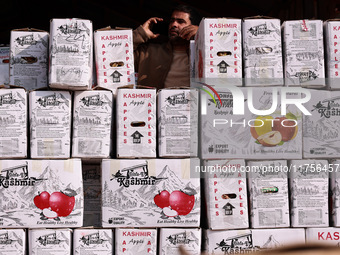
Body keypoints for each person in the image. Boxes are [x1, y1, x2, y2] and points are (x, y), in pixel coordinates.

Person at [133, 5, 201, 89]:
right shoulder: (148, 52)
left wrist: (202, 33)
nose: (174, 24)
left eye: (180, 21)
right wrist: (140, 34)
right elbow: (116, 55)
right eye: (172, 21)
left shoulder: (202, 53)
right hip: (154, 102)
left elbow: (220, 53)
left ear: (193, 27)